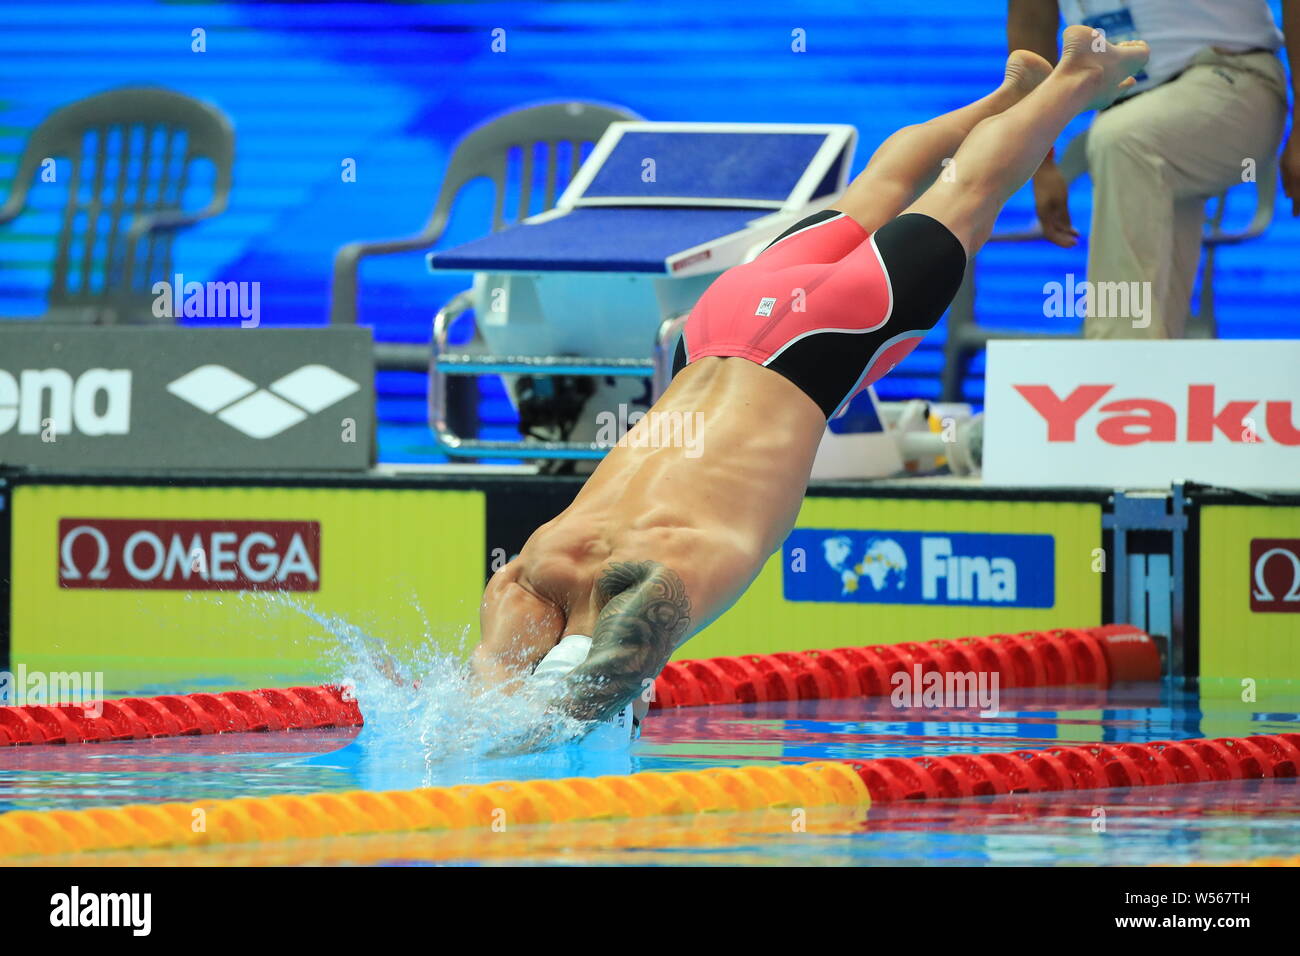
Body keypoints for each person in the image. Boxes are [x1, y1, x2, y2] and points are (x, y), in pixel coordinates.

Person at [473, 28, 1150, 750]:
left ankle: (1076, 80)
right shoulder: (537, 569)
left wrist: (528, 747)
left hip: (820, 346)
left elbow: (588, 682)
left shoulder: (664, 570)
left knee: (967, 194)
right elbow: (489, 686)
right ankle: (1008, 93)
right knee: (873, 193)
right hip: (718, 324)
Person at [1009, 0, 1296, 338]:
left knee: (1123, 140)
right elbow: (1031, 19)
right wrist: (1040, 162)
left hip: (1233, 79)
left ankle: (1112, 368)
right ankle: (1147, 375)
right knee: (1156, 322)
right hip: (1137, 109)